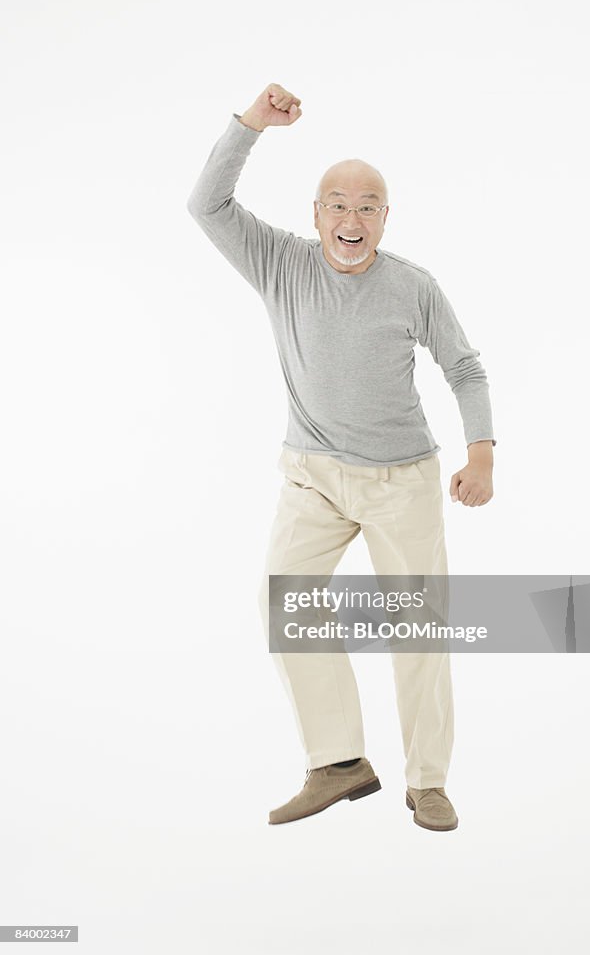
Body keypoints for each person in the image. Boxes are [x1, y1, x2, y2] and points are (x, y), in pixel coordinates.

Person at [186, 83, 496, 831]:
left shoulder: (412, 286)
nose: (350, 219)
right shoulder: (279, 264)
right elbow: (207, 205)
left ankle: (427, 782)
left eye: (367, 206)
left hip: (402, 482)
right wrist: (249, 125)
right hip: (311, 476)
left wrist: (480, 454)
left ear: (384, 219)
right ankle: (338, 761)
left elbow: (464, 368)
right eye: (336, 203)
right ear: (315, 214)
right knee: (282, 600)